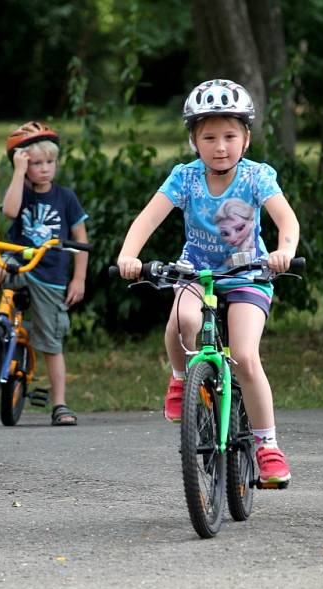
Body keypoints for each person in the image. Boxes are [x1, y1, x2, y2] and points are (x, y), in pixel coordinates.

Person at [116, 79, 300, 486]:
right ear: (194, 142)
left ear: (246, 139)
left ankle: (267, 445)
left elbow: (286, 220)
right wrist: (129, 255)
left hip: (248, 273)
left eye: (230, 136)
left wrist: (283, 249)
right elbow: (148, 217)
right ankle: (182, 379)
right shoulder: (185, 178)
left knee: (246, 357)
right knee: (183, 322)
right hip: (196, 271)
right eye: (210, 137)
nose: (220, 146)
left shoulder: (256, 178)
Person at [0, 122, 89, 426]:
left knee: (51, 345)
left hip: (50, 276)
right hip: (19, 264)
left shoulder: (66, 198)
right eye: (36, 163)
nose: (44, 169)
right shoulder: (21, 193)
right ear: (24, 164)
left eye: (49, 163)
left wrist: (78, 278)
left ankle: (60, 404)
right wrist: (18, 172)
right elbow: (10, 212)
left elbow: (81, 239)